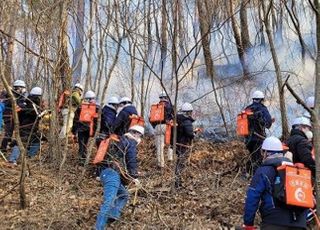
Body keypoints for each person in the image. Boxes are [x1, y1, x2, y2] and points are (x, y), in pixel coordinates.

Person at [243, 136, 308, 230]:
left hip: (273, 222)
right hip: (300, 223)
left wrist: (248, 223)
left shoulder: (263, 171)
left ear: (264, 153)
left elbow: (252, 196)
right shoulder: (295, 170)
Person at [95, 125, 144, 229]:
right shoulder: (130, 142)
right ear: (136, 134)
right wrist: (135, 177)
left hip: (106, 172)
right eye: (141, 136)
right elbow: (131, 160)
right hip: (112, 174)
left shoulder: (120, 140)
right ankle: (99, 227)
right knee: (109, 201)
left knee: (124, 195)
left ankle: (112, 215)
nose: (140, 139)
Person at [8, 87, 43, 165]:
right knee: (21, 142)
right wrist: (42, 113)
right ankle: (12, 159)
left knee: (37, 139)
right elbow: (37, 114)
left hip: (31, 127)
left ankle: (30, 156)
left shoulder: (27, 102)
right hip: (26, 127)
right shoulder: (31, 103)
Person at [244, 90, 273, 175]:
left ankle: (248, 173)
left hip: (248, 139)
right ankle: (256, 176)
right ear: (261, 99)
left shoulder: (247, 109)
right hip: (258, 138)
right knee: (258, 158)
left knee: (252, 156)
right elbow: (268, 124)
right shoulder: (262, 109)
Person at [72, 90, 99, 165]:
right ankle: (84, 158)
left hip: (81, 129)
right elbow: (98, 120)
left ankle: (81, 160)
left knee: (81, 144)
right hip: (89, 129)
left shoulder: (80, 107)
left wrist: (73, 131)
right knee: (85, 144)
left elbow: (75, 119)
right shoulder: (96, 107)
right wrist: (95, 130)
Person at [0, 80, 27, 152]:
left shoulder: (19, 95)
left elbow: (21, 103)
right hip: (8, 116)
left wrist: (24, 105)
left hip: (14, 116)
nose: (23, 89)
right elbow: (13, 104)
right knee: (8, 132)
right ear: (18, 88)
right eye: (22, 88)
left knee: (13, 132)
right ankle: (3, 148)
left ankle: (8, 145)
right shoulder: (10, 94)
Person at [174, 102, 196, 189]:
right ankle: (177, 182)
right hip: (183, 145)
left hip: (177, 144)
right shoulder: (186, 121)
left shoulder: (177, 119)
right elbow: (190, 134)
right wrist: (194, 133)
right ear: (189, 112)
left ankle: (177, 181)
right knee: (181, 163)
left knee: (179, 162)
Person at [151, 91, 174, 169]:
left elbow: (150, 118)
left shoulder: (156, 107)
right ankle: (170, 159)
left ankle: (161, 165)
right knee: (170, 143)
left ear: (160, 98)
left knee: (160, 147)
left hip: (158, 127)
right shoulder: (170, 106)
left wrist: (155, 126)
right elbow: (174, 116)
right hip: (167, 126)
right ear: (167, 97)